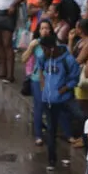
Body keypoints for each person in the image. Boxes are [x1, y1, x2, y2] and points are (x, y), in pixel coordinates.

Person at [39, 33, 81, 171]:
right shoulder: (44, 58)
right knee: (51, 131)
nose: (43, 53)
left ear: (52, 48)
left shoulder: (68, 60)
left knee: (81, 117)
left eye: (45, 49)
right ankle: (52, 160)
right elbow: (40, 70)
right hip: (48, 101)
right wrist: (44, 88)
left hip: (65, 100)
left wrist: (62, 90)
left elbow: (74, 79)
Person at [21, 19, 55, 147]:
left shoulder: (55, 44)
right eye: (42, 28)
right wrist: (31, 47)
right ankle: (38, 135)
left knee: (52, 107)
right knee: (39, 106)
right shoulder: (35, 44)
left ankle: (50, 131)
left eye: (47, 28)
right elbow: (24, 59)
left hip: (53, 79)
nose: (45, 31)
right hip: (37, 79)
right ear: (39, 31)